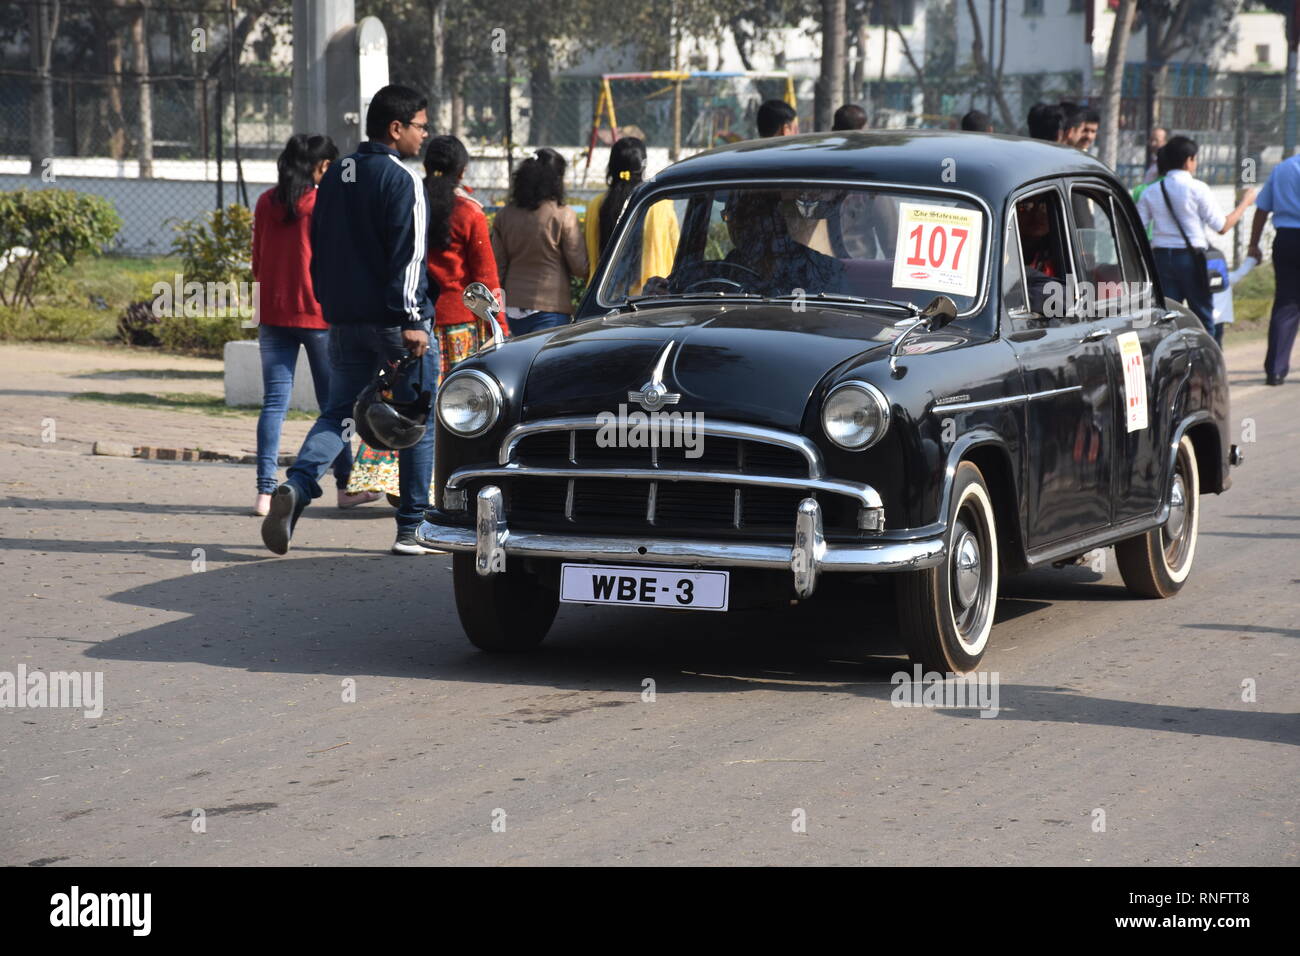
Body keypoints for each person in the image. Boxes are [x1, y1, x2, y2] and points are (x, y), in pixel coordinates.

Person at [260, 83, 440, 557]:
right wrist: (413, 318)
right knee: (416, 420)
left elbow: (317, 249)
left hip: (341, 320)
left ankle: (297, 486)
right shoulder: (403, 180)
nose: (425, 136)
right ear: (396, 128)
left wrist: (329, 303)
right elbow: (409, 257)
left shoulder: (336, 174)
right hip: (397, 324)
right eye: (420, 126)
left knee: (337, 414)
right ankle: (412, 527)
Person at [346, 134, 505, 501]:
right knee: (455, 409)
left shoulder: (408, 200)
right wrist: (501, 328)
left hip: (410, 322)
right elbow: (485, 278)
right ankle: (436, 487)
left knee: (402, 403)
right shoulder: (470, 212)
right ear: (462, 168)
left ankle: (391, 481)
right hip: (458, 327)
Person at [250, 134, 378, 517]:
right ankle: (345, 487)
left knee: (274, 403)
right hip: (318, 315)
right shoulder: (322, 202)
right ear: (321, 166)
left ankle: (264, 492)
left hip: (272, 315)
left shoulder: (264, 202)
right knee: (335, 407)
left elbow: (257, 260)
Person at [1136, 136, 1256, 337]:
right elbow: (1222, 226)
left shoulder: (1151, 191)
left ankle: (1173, 362)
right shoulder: (1197, 188)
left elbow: (1138, 226)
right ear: (1188, 160)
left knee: (1167, 318)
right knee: (1202, 316)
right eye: (1195, 159)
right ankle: (1208, 363)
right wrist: (1245, 203)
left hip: (1162, 259)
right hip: (1192, 259)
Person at [491, 151, 588, 335]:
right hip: (551, 308)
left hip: (511, 306)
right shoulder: (562, 214)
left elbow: (498, 267)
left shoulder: (505, 215)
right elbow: (580, 268)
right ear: (556, 180)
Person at [583, 137, 678, 294]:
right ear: (643, 166)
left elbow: (589, 257)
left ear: (611, 167)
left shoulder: (596, 205)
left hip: (601, 297)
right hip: (652, 297)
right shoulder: (659, 203)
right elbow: (676, 249)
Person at [1247, 151, 1300, 385]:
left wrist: (1253, 244)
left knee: (1286, 302)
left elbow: (1262, 208)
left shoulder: (1283, 168)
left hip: (1286, 239)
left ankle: (1275, 370)